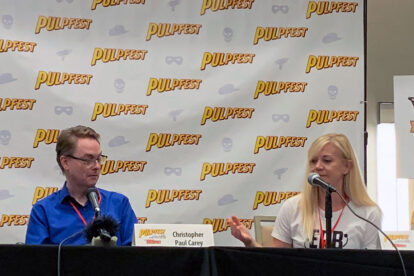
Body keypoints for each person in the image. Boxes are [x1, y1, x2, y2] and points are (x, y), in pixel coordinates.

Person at [228, 133, 381, 249]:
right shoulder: (292, 207)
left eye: (327, 160)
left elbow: (371, 267)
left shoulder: (367, 213)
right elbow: (275, 262)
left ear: (347, 167)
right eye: (313, 161)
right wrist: (250, 242)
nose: (318, 167)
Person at [25, 125, 138, 245]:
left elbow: (136, 256)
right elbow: (35, 260)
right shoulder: (43, 211)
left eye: (99, 159)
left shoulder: (119, 203)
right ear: (66, 162)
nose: (97, 166)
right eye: (88, 160)